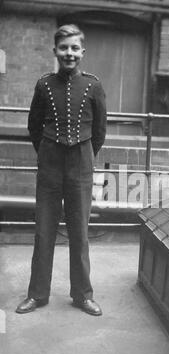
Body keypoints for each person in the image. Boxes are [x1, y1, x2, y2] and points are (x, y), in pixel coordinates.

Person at [16, 24, 107, 316]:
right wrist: (47, 152)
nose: (69, 54)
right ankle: (37, 294)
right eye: (64, 48)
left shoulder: (94, 86)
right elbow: (34, 125)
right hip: (50, 164)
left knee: (79, 233)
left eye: (74, 48)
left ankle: (82, 295)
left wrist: (84, 157)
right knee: (44, 231)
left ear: (82, 52)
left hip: (81, 164)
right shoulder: (44, 85)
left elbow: (100, 131)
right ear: (55, 51)